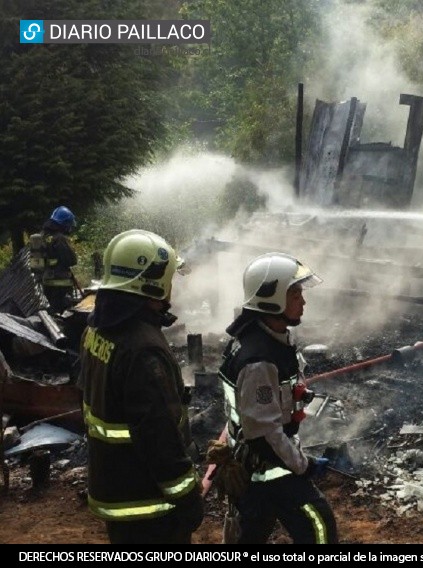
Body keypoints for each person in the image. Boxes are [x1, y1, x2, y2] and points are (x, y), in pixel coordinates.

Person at [79, 229, 203, 544]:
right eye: (169, 277)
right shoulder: (143, 348)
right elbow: (159, 435)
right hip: (148, 506)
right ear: (151, 282)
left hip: (115, 488)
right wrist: (188, 496)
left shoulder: (98, 327)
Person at [217, 252, 338, 544]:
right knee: (319, 525)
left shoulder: (268, 338)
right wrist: (304, 464)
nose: (303, 301)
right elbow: (265, 433)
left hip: (257, 466)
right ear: (271, 299)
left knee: (248, 536)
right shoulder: (258, 360)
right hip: (267, 468)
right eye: (295, 293)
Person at [38, 206, 79, 314]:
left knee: (53, 311)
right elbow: (71, 260)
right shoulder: (59, 238)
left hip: (47, 281)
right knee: (63, 313)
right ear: (64, 224)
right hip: (61, 283)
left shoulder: (44, 236)